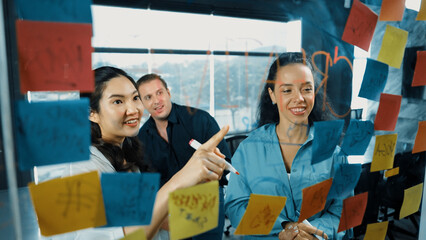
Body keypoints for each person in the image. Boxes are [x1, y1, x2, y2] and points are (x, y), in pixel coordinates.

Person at [69, 66, 229, 240]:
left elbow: (147, 219)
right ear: (91, 113)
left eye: (134, 98)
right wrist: (179, 181)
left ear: (168, 93)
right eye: (118, 101)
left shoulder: (129, 152)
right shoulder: (80, 168)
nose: (133, 110)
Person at [224, 52, 350, 239]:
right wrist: (286, 228)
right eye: (287, 90)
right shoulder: (248, 150)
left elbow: (342, 213)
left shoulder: (334, 154)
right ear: (272, 95)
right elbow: (236, 206)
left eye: (306, 89)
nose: (299, 98)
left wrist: (313, 234)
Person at [136, 73, 232, 240]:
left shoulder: (201, 119)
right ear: (143, 103)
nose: (156, 101)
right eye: (148, 97)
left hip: (206, 199)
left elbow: (225, 164)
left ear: (168, 93)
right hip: (170, 209)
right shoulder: (141, 139)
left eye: (159, 93)